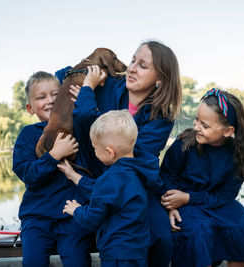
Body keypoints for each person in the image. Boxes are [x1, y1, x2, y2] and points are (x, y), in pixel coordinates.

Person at [56, 40, 182, 267]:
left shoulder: (162, 115)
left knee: (162, 238)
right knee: (76, 236)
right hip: (93, 178)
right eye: (133, 60)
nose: (132, 68)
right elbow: (60, 75)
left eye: (143, 65)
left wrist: (86, 99)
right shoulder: (108, 85)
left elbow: (128, 151)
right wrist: (85, 81)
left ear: (160, 78)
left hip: (135, 183)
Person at [160, 89, 244, 267]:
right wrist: (170, 207)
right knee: (196, 232)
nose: (197, 127)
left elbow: (225, 196)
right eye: (196, 120)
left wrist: (190, 197)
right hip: (183, 203)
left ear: (228, 131)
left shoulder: (237, 156)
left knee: (242, 227)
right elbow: (167, 174)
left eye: (205, 125)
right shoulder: (185, 142)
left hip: (216, 202)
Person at [12, 71, 93, 267]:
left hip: (72, 215)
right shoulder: (29, 135)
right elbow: (28, 174)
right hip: (37, 217)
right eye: (42, 97)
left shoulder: (78, 129)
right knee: (33, 262)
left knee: (77, 261)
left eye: (56, 94)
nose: (50, 101)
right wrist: (54, 154)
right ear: (30, 108)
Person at [61, 110, 161, 267]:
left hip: (116, 252)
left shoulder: (109, 179)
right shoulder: (140, 170)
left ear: (109, 152)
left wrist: (76, 210)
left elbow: (92, 219)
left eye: (95, 148)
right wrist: (74, 176)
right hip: (138, 249)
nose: (94, 152)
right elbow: (107, 193)